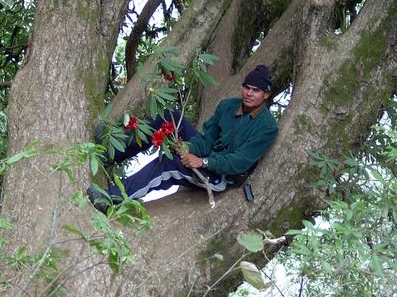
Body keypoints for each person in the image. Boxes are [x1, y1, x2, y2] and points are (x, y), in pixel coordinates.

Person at [87, 65, 279, 211]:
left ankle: (111, 198)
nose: (249, 93)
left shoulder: (267, 127)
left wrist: (202, 162)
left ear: (266, 94)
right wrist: (189, 147)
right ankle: (110, 152)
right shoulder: (229, 105)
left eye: (256, 90)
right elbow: (207, 139)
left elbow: (239, 162)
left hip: (220, 176)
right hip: (206, 156)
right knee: (170, 117)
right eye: (247, 87)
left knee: (169, 163)